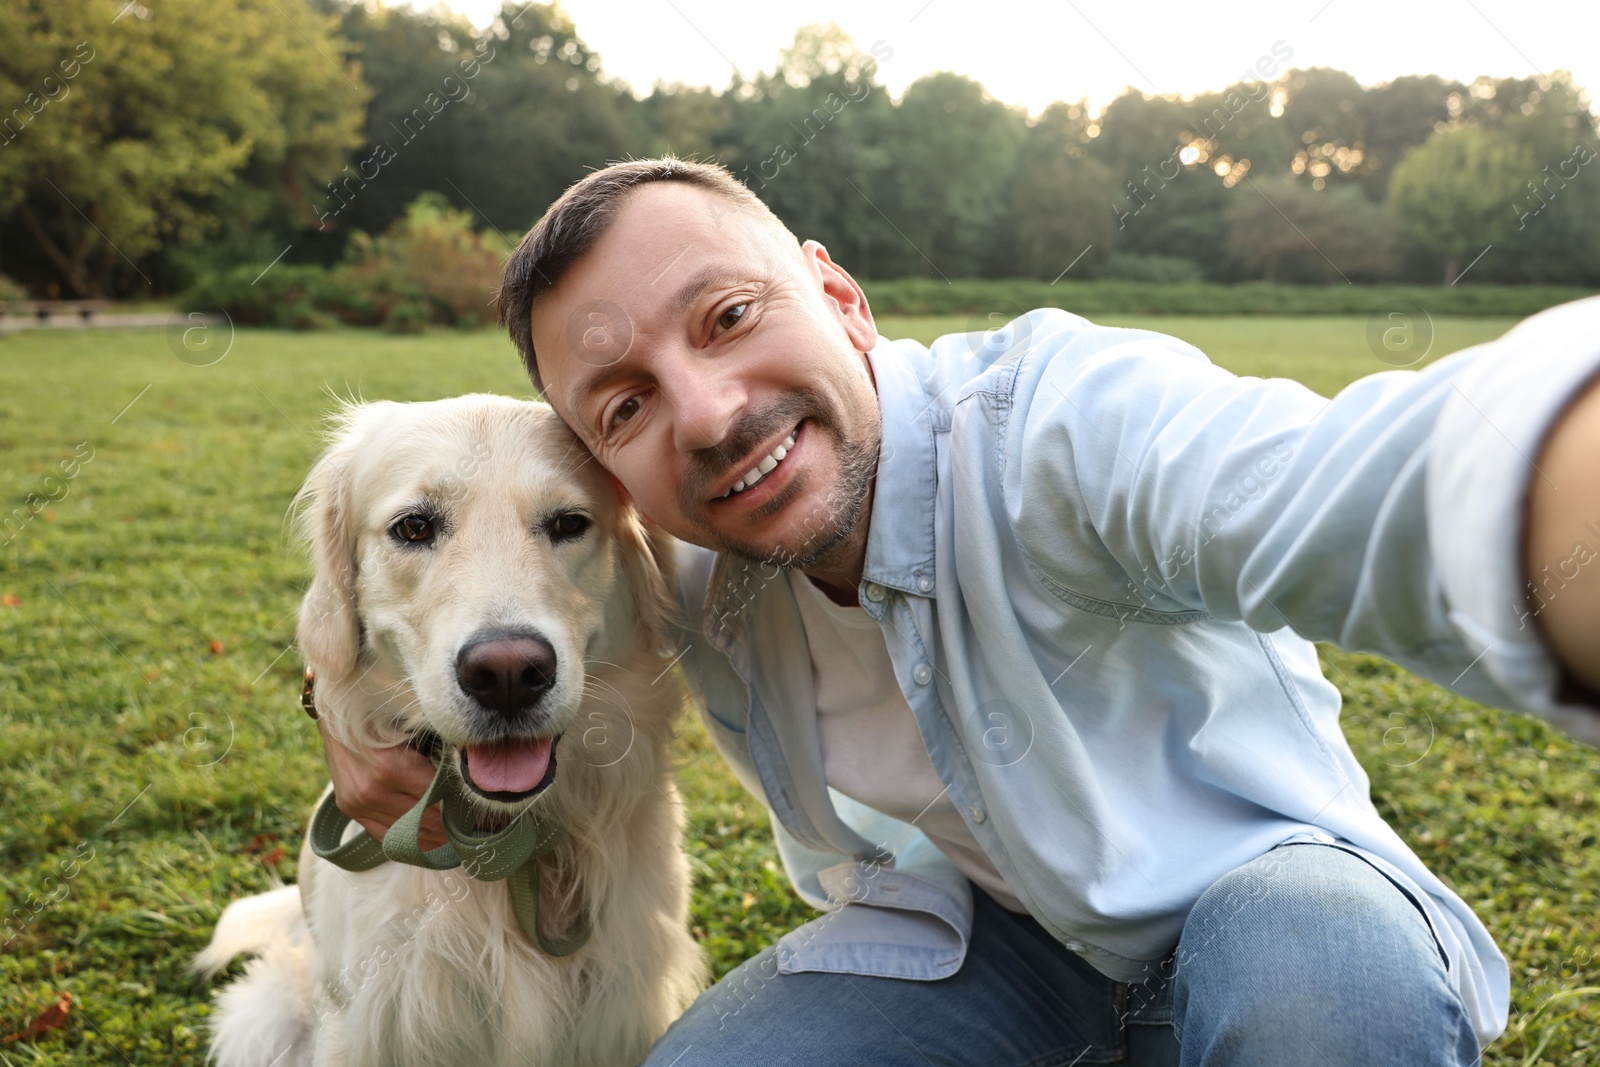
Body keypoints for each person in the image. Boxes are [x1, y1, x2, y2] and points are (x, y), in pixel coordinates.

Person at [318, 158, 1600, 1065]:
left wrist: (1555, 488)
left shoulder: (1067, 422)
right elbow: (452, 632)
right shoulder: (671, 572)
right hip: (981, 949)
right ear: (619, 471)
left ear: (839, 296)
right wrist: (345, 713)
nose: (706, 413)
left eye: (727, 316)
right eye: (626, 402)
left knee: (1315, 996)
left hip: (1263, 896)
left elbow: (1353, 488)